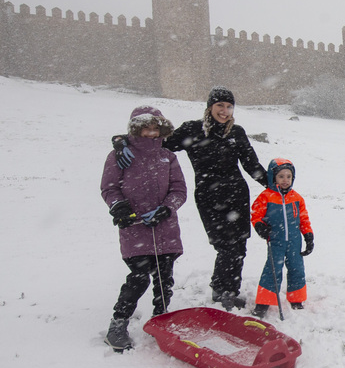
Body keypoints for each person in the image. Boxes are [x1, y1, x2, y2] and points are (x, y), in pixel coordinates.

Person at [114, 86, 267, 311]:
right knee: (225, 246)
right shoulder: (193, 130)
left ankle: (226, 289)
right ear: (210, 107)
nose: (224, 111)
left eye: (229, 106)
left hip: (237, 195)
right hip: (209, 197)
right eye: (220, 106)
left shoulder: (236, 133)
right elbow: (155, 143)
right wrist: (121, 141)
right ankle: (223, 291)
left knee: (240, 246)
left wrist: (275, 186)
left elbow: (252, 165)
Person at [101, 106, 187, 352]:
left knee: (164, 280)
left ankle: (162, 319)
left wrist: (167, 208)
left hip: (165, 228)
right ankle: (118, 324)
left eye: (156, 128)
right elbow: (109, 188)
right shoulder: (119, 155)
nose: (151, 133)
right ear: (136, 128)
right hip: (135, 228)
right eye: (146, 128)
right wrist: (119, 207)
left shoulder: (168, 157)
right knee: (138, 279)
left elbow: (179, 190)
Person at [250, 157, 314, 317]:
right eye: (281, 176)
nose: (285, 180)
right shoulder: (266, 196)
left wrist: (308, 236)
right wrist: (260, 226)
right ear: (273, 178)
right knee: (272, 270)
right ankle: (264, 303)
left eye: (288, 176)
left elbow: (304, 219)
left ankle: (296, 298)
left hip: (294, 241)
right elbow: (256, 215)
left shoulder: (297, 198)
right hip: (276, 240)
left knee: (297, 269)